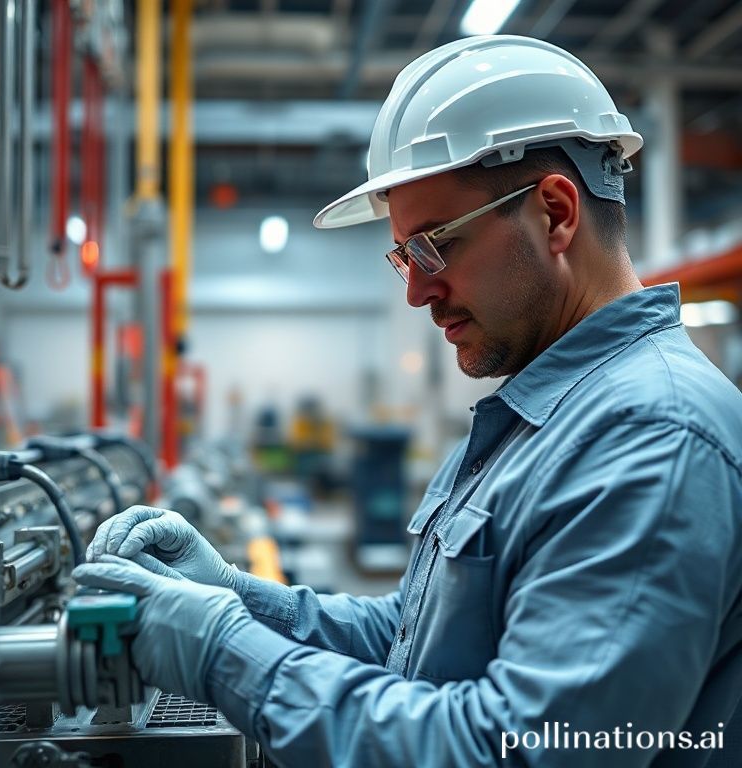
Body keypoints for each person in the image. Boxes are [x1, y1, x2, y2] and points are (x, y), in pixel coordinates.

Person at [74, 35, 742, 767]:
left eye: (435, 246)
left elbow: (519, 751)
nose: (417, 290)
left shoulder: (650, 437)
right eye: (403, 256)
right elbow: (412, 640)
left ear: (554, 213)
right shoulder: (540, 416)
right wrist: (238, 597)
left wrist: (223, 652)